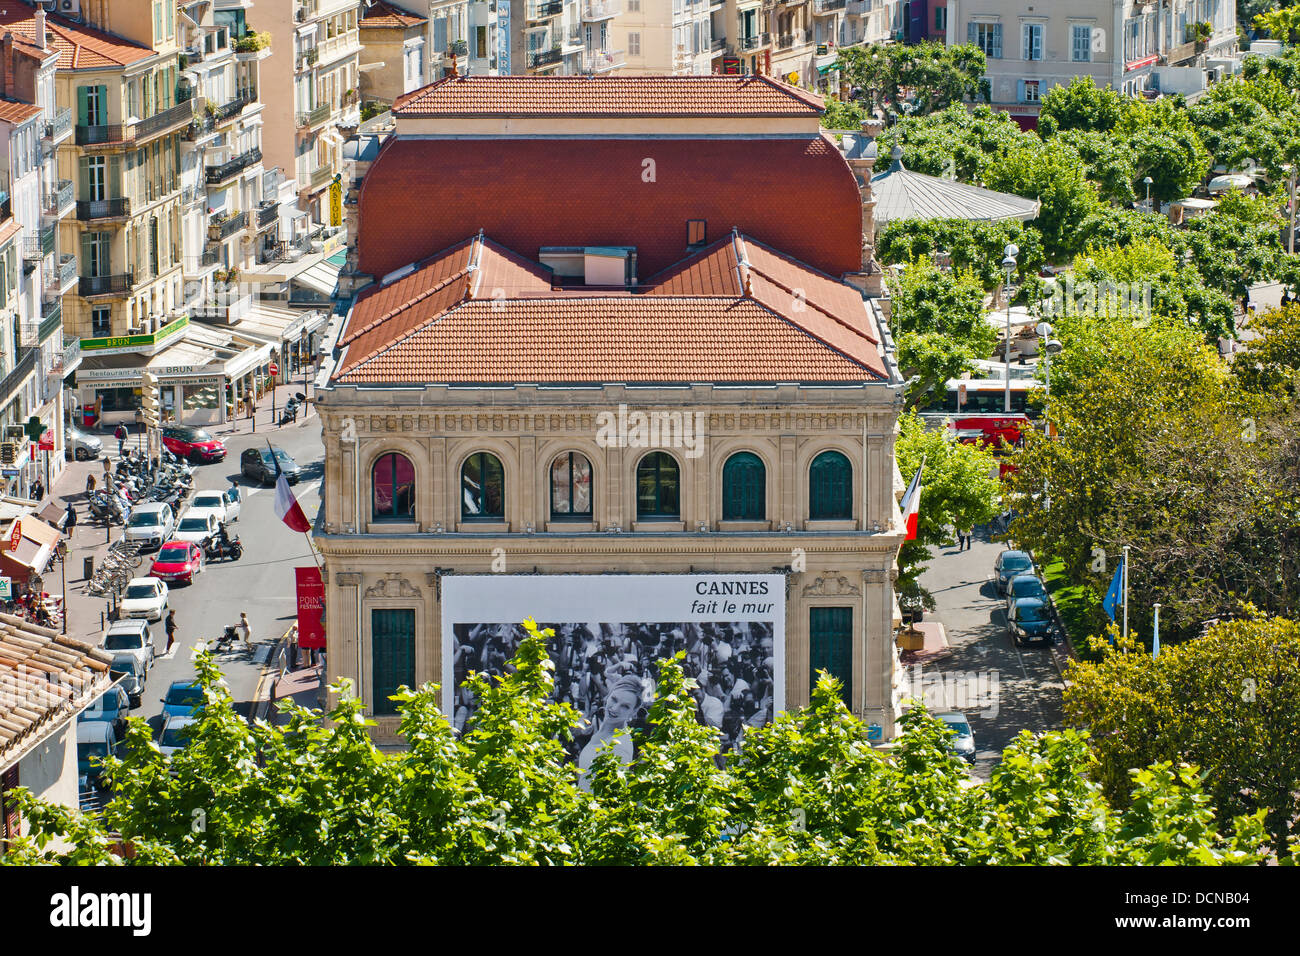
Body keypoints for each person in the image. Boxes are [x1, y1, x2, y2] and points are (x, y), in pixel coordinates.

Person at [577, 674, 642, 791]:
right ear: (609, 695)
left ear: (633, 712)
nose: (615, 708)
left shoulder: (619, 747)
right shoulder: (604, 728)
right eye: (614, 699)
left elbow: (611, 799)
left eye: (625, 706)